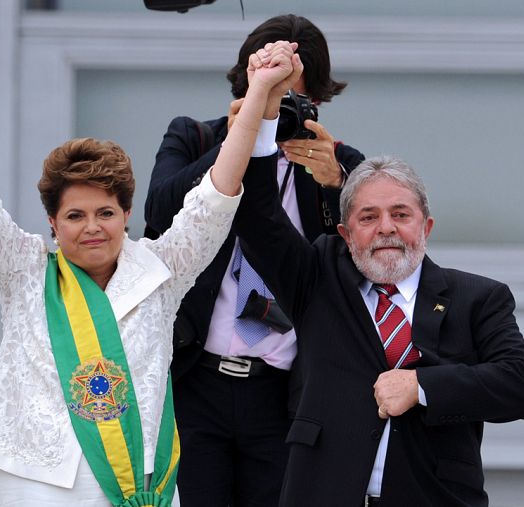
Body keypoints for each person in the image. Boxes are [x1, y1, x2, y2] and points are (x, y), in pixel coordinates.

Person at [0, 33, 301, 506]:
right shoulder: (23, 269)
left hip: (135, 484)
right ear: (53, 224)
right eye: (75, 216)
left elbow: (216, 196)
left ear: (126, 215)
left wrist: (260, 94)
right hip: (30, 483)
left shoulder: (162, 272)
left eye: (105, 213)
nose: (92, 228)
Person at [225, 50, 524, 506]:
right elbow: (257, 214)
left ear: (426, 227)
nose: (387, 228)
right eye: (369, 217)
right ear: (346, 233)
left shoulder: (479, 297)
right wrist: (264, 107)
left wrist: (423, 387)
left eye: (400, 214)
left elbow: (523, 385)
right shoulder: (316, 279)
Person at [143, 14, 364, 506]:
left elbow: (360, 268)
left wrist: (337, 184)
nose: (275, 107)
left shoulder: (336, 163)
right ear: (244, 82)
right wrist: (242, 138)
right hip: (195, 378)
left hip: (283, 392)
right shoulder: (195, 137)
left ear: (317, 100)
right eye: (267, 90)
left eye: (287, 98)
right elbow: (157, 213)